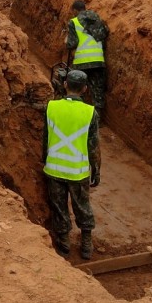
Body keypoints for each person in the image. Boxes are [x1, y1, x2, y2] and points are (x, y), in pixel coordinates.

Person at [43, 69, 101, 260]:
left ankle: (64, 242)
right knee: (82, 205)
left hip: (54, 169)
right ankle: (86, 244)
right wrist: (96, 170)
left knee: (59, 206)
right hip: (78, 171)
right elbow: (93, 146)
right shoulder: (90, 112)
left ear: (65, 85)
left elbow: (46, 139)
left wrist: (45, 159)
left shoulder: (51, 107)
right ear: (85, 89)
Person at [66, 0, 109, 112]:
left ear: (75, 10)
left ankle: (79, 113)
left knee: (78, 88)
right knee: (97, 90)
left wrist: (66, 41)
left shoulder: (74, 22)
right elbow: (104, 35)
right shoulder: (97, 20)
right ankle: (97, 118)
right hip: (98, 60)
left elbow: (72, 44)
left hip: (81, 62)